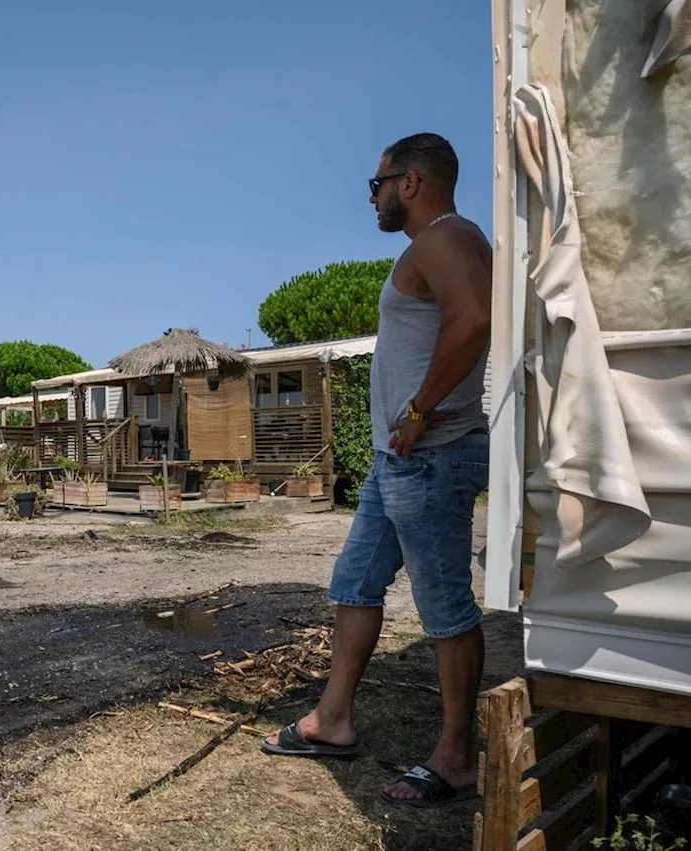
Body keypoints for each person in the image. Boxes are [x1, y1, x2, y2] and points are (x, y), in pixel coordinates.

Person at [261, 134, 492, 807]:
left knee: (445, 605)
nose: (372, 195)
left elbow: (475, 318)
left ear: (411, 181)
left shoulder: (442, 240)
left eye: (377, 182)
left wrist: (420, 409)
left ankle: (456, 757)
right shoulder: (449, 242)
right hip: (403, 460)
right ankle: (333, 719)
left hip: (431, 454)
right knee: (355, 581)